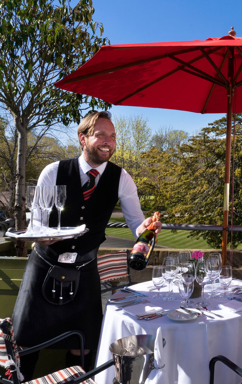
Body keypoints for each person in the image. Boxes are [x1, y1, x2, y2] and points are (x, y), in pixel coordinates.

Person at [12, 111, 161, 378]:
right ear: (83, 138)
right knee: (27, 343)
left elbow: (135, 224)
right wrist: (40, 236)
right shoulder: (53, 171)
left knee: (84, 346)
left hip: (85, 269)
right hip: (44, 266)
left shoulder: (122, 178)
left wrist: (148, 228)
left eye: (113, 136)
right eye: (101, 134)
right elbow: (37, 223)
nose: (108, 141)